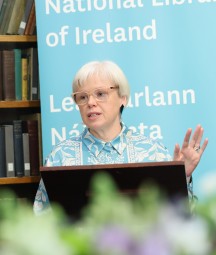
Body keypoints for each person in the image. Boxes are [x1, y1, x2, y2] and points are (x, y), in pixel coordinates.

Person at [33, 60, 208, 215]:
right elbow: (41, 220)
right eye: (82, 97)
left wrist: (182, 177)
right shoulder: (60, 158)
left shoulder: (153, 153)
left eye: (100, 94)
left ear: (123, 98)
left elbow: (183, 218)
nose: (90, 103)